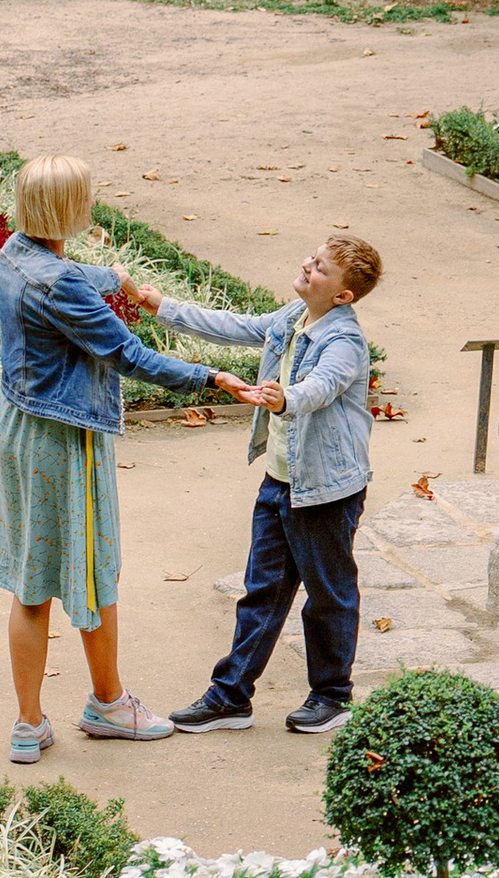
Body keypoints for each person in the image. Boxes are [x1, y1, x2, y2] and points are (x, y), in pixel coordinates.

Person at [0, 154, 207, 764]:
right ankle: (108, 703)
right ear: (67, 207)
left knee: (31, 584)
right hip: (63, 440)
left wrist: (110, 280)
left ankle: (29, 724)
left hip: (16, 427)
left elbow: (62, 275)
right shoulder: (63, 286)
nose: (92, 205)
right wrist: (209, 376)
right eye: (85, 197)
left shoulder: (13, 253)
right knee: (94, 567)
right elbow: (131, 357)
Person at [154, 232, 382, 736]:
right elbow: (237, 327)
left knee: (328, 595)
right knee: (262, 591)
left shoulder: (344, 340)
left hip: (325, 492)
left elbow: (322, 387)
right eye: (313, 257)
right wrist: (161, 305)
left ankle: (332, 696)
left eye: (320, 267)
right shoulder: (294, 318)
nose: (307, 266)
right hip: (280, 481)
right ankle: (231, 696)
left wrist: (285, 399)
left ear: (342, 296)